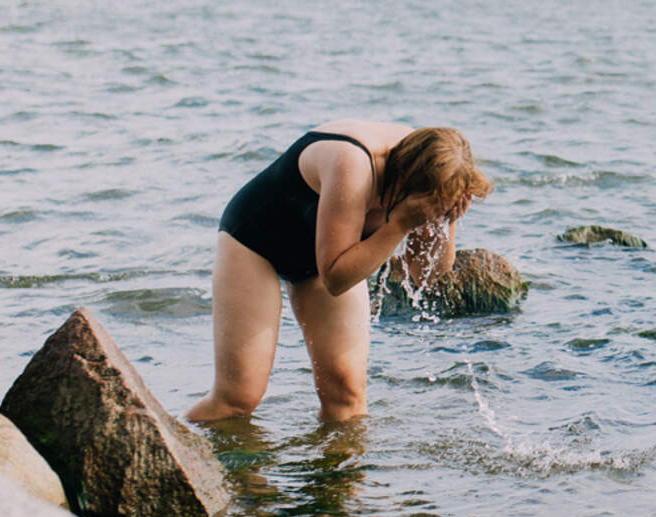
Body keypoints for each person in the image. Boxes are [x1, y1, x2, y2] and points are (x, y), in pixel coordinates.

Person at [188, 122, 490, 424]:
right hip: (257, 242)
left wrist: (446, 219)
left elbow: (424, 274)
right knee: (238, 398)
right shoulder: (355, 163)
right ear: (403, 182)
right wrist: (399, 225)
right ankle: (160, 447)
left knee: (346, 396)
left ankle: (339, 471)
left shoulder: (439, 179)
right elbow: (335, 278)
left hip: (332, 255)